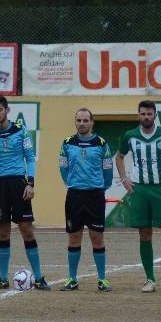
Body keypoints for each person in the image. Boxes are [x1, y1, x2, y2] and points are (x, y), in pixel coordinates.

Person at [0, 95, 48, 290]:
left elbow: (30, 158)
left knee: (26, 229)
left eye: (0, 110)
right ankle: (2, 277)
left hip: (19, 183)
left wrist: (30, 183)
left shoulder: (20, 130)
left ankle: (39, 277)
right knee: (3, 231)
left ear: (7, 110)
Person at [115, 100, 161, 293]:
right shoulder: (130, 136)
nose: (146, 117)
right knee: (144, 234)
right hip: (140, 191)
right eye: (143, 114)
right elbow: (119, 157)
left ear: (155, 114)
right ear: (138, 115)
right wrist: (124, 179)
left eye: (149, 114)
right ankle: (150, 279)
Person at [57, 108, 114, 292]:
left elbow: (108, 172)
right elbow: (63, 169)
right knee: (74, 237)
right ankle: (72, 279)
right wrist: (73, 184)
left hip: (95, 195)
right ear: (75, 122)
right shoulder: (66, 143)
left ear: (92, 123)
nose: (82, 124)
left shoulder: (102, 144)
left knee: (97, 237)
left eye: (85, 120)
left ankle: (102, 280)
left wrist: (99, 188)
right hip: (74, 196)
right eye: (79, 120)